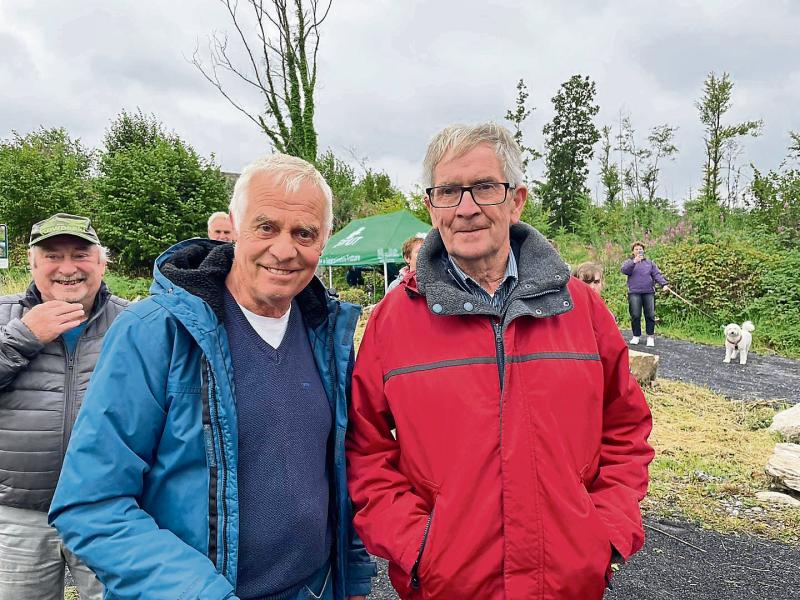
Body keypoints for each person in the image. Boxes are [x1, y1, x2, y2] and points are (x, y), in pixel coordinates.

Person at [346, 123, 654, 599]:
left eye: (484, 187)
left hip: (568, 584)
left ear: (516, 200)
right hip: (449, 585)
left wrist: (606, 532)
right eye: (448, 191)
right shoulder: (393, 321)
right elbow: (364, 448)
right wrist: (418, 545)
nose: (466, 208)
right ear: (430, 207)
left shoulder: (582, 310)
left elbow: (626, 428)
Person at [49, 155, 376, 600]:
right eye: (266, 227)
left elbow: (342, 473)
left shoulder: (327, 333)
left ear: (324, 240)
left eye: (304, 233)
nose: (284, 249)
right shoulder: (154, 332)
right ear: (234, 227)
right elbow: (90, 504)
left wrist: (353, 580)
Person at [0, 213, 128, 600]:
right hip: (18, 514)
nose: (68, 268)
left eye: (81, 255)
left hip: (109, 512)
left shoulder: (132, 323)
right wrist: (22, 338)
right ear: (33, 263)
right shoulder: (4, 316)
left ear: (102, 262)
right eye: (53, 256)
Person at [620, 241, 670, 347]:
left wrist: (664, 284)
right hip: (634, 292)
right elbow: (624, 270)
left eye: (640, 249)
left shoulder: (649, 263)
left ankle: (650, 337)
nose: (639, 250)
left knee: (650, 315)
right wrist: (634, 262)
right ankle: (636, 336)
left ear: (644, 250)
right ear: (633, 252)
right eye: (636, 249)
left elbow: (656, 274)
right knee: (635, 315)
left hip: (648, 292)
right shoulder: (629, 262)